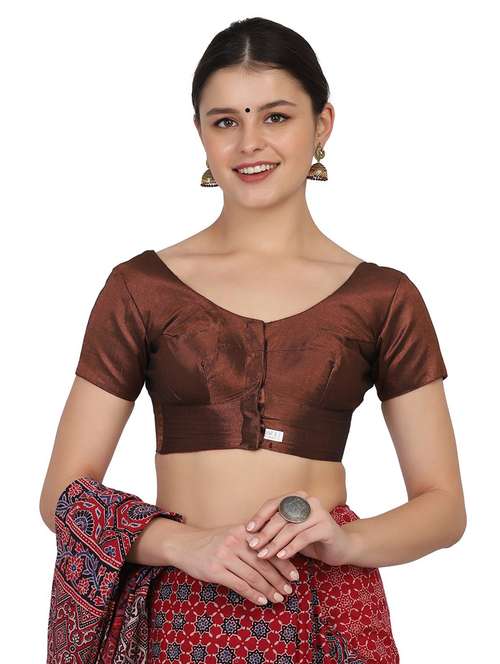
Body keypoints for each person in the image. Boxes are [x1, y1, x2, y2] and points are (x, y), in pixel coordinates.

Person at [40, 16, 466, 664]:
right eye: (225, 121)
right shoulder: (141, 288)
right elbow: (62, 496)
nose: (249, 143)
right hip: (181, 616)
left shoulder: (382, 297)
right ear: (200, 133)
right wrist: (184, 544)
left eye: (276, 117)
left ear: (322, 124)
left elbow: (444, 508)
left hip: (325, 613)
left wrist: (346, 543)